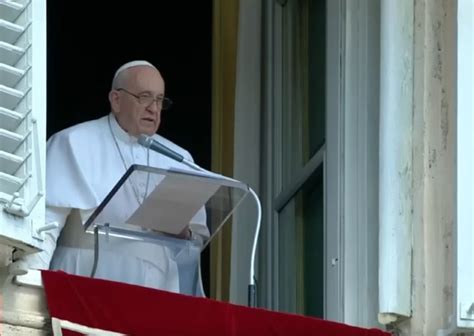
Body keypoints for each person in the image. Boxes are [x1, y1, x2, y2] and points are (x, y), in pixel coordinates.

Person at [23, 60, 209, 296]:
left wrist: (184, 234)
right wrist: (28, 288)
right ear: (116, 99)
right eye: (144, 97)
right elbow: (45, 227)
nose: (154, 108)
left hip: (158, 291)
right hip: (87, 283)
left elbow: (195, 243)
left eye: (160, 100)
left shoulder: (180, 158)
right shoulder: (73, 142)